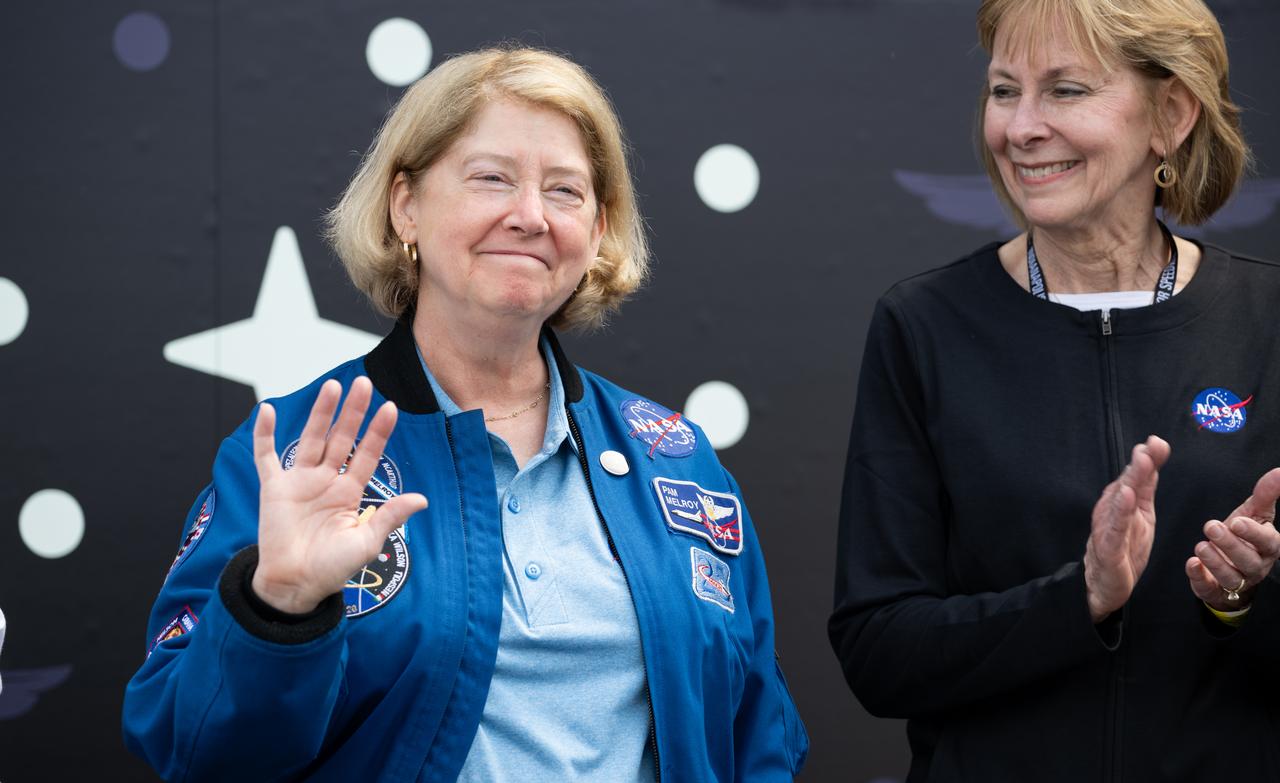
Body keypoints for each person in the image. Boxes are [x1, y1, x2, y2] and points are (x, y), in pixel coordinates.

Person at [124, 47, 807, 782]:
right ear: (405, 203)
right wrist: (280, 607)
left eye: (566, 191)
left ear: (599, 228)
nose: (530, 216)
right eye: (492, 178)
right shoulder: (299, 452)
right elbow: (188, 748)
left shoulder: (676, 457)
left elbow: (758, 734)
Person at [828, 0, 1280, 780]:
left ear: (1170, 114)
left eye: (1066, 91)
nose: (1021, 128)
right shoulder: (925, 325)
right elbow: (880, 650)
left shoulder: (1267, 317)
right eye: (1005, 91)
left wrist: (1235, 598)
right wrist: (1081, 598)